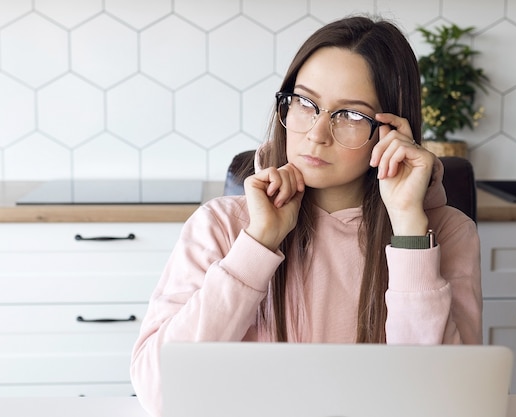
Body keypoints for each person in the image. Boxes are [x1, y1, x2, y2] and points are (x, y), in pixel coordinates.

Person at [130, 15, 482, 417]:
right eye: (305, 103)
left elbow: (449, 404)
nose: (316, 133)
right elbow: (159, 391)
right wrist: (256, 245)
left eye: (350, 115)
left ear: (391, 131)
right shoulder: (220, 226)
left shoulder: (447, 234)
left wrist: (409, 230)